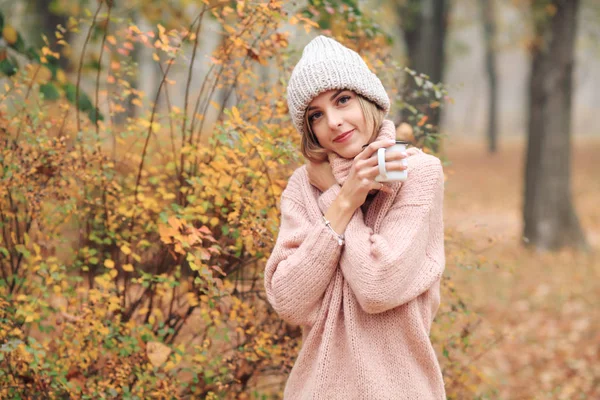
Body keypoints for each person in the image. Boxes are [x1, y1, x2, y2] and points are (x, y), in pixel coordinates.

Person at [264, 36, 445, 399]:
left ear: (368, 99)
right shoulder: (304, 185)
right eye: (315, 115)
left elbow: (379, 286)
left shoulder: (419, 172)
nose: (333, 122)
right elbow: (288, 299)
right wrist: (344, 199)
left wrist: (337, 193)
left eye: (342, 100)